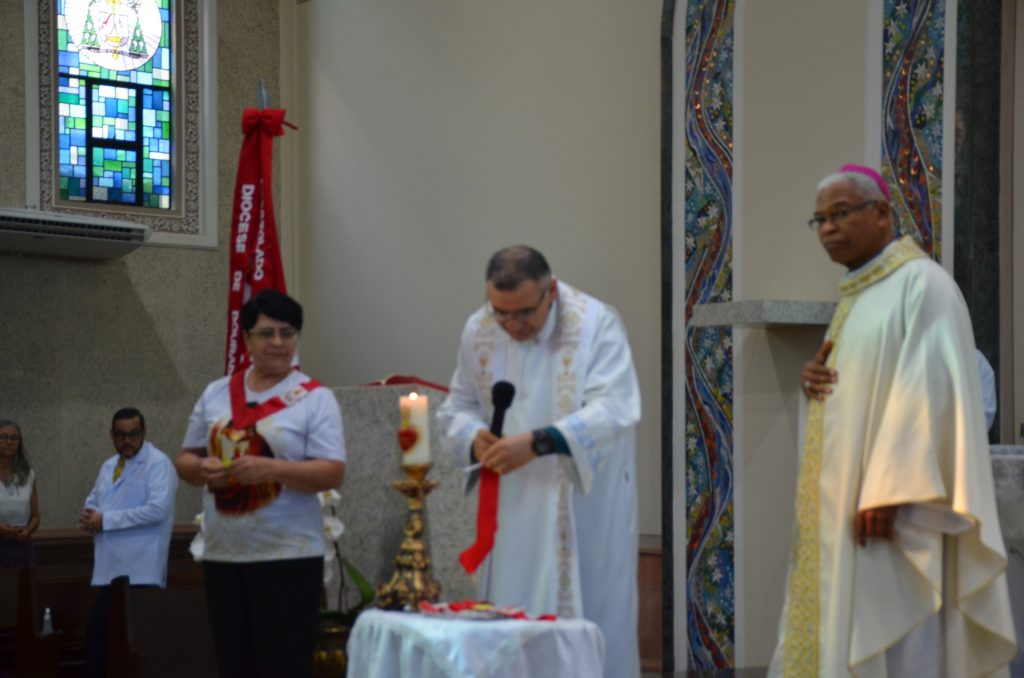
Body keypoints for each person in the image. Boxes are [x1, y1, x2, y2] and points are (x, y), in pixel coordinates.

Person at [771, 165, 1016, 676]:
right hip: (847, 510)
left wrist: (889, 490)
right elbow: (860, 393)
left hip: (899, 517)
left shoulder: (922, 286)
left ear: (881, 213)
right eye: (818, 220)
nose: (828, 229)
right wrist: (814, 379)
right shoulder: (858, 296)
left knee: (900, 643)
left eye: (840, 213)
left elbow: (932, 392)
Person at [437, 245, 642, 678]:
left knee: (588, 616)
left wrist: (539, 442)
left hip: (581, 506)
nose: (511, 326)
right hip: (512, 509)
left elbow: (616, 407)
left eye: (524, 314)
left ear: (550, 291)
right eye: (500, 313)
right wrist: (475, 440)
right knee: (509, 618)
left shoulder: (595, 324)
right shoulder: (480, 329)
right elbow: (456, 407)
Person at [176, 289, 345, 678]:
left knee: (282, 666)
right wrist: (201, 471)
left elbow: (332, 472)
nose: (278, 343)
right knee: (234, 664)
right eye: (267, 333)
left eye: (288, 333)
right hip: (225, 554)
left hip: (287, 555)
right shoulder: (217, 393)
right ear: (248, 338)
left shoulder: (314, 399)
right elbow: (185, 459)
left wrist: (271, 470)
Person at [80, 407, 177, 678]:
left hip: (141, 568)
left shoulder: (158, 463)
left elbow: (157, 510)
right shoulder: (110, 465)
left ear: (144, 433)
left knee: (121, 638)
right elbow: (95, 498)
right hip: (113, 568)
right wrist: (89, 515)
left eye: (133, 434)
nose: (127, 441)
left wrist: (105, 520)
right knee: (103, 634)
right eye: (121, 435)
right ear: (112, 435)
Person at [0, 420, 39, 567]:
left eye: (14, 438)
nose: (9, 441)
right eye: (3, 437)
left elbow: (36, 517)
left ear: (19, 443)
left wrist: (28, 530)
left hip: (22, 546)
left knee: (22, 589)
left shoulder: (28, 475)